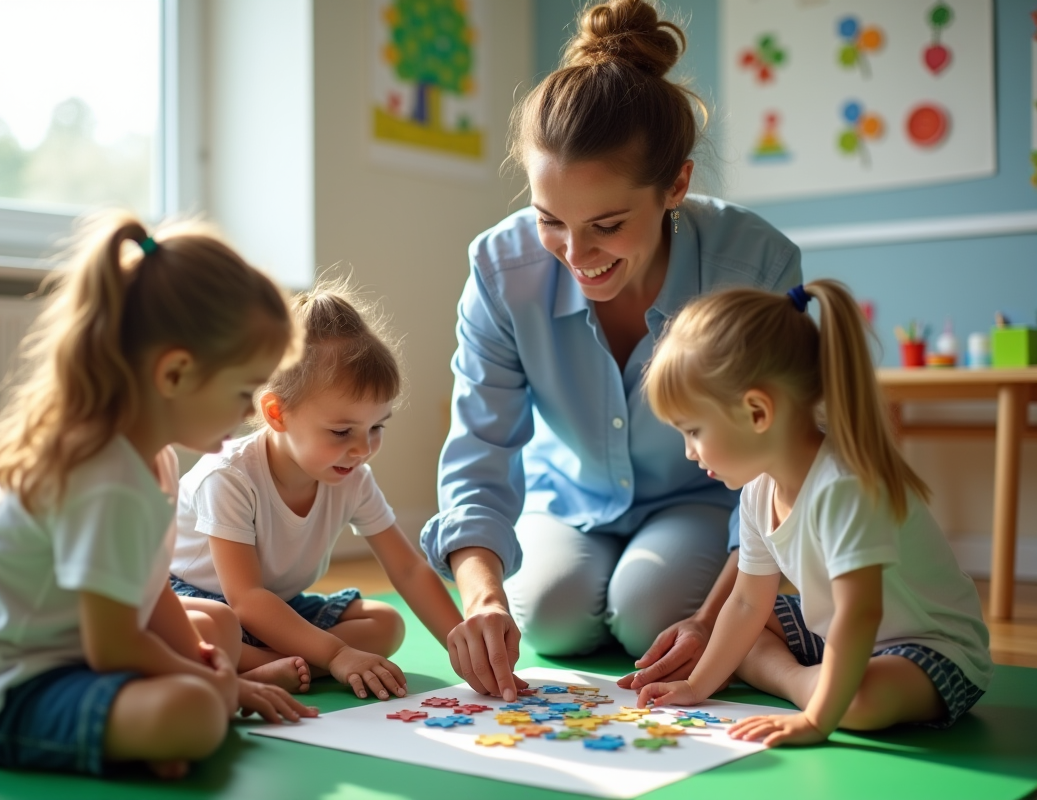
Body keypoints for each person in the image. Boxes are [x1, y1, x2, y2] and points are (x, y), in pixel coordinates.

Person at [421, 0, 802, 701]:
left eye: (606, 224)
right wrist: (481, 599)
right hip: (565, 494)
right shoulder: (501, 269)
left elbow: (785, 460)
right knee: (556, 618)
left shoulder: (753, 263)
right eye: (549, 221)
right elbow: (480, 450)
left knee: (650, 613)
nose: (576, 253)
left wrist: (712, 620)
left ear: (676, 186)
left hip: (703, 499)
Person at [0, 213, 317, 780]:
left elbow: (149, 585)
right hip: (1, 693)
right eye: (240, 391)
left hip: (71, 652)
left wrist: (200, 659)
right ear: (176, 373)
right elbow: (113, 647)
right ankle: (163, 727)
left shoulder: (150, 454)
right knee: (196, 711)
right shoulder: (104, 475)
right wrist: (214, 682)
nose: (246, 412)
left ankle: (174, 715)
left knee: (218, 629)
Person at [629, 280, 992, 743]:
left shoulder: (844, 487)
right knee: (737, 628)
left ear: (757, 412)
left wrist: (816, 719)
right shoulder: (759, 490)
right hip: (838, 629)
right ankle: (814, 682)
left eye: (694, 431)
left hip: (932, 650)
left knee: (857, 702)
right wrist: (697, 685)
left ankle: (807, 687)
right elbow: (745, 601)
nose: (690, 452)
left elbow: (860, 613)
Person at [171, 283, 464, 702]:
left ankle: (273, 664)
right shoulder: (229, 476)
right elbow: (246, 599)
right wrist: (339, 653)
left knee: (385, 623)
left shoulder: (352, 476)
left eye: (377, 427)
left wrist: (461, 640)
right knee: (210, 626)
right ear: (277, 413)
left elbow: (408, 570)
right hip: (201, 602)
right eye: (342, 431)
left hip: (278, 608)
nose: (363, 449)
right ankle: (265, 667)